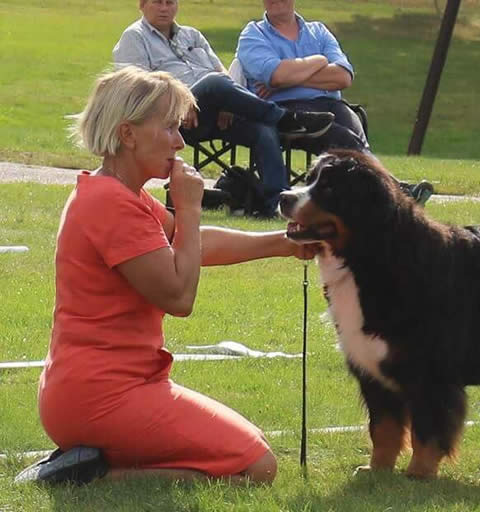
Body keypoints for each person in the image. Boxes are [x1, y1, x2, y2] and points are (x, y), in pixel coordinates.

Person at [17, 67, 317, 486]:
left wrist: (282, 244)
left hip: (104, 389)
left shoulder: (121, 194)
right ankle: (92, 478)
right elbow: (178, 297)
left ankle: (88, 464)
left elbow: (190, 244)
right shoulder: (111, 204)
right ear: (128, 134)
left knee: (250, 450)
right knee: (256, 467)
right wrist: (190, 207)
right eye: (171, 128)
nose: (180, 142)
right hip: (102, 396)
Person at [113, 0, 335, 217]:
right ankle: (287, 119)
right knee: (213, 83)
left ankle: (275, 204)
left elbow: (222, 73)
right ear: (142, 5)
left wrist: (228, 103)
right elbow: (137, 90)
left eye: (169, 3)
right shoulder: (134, 37)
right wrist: (182, 99)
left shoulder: (191, 35)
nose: (164, 8)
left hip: (213, 112)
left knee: (262, 128)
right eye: (157, 2)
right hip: (171, 119)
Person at [236, 0, 433, 205]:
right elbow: (276, 75)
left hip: (331, 104)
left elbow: (343, 77)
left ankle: (380, 195)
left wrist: (287, 80)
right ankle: (396, 193)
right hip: (287, 113)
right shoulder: (253, 34)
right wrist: (319, 61)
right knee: (344, 139)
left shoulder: (318, 31)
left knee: (355, 135)